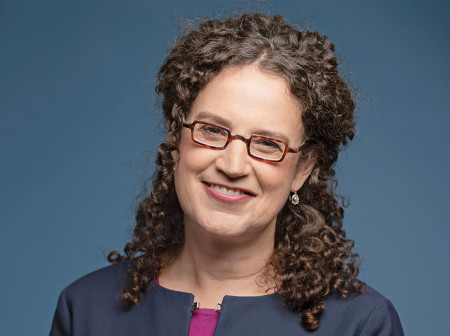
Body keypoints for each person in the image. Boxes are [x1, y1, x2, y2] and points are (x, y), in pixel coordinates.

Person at [50, 13, 404, 336]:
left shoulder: (361, 324)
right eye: (212, 131)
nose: (232, 166)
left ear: (303, 169)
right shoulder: (85, 309)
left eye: (267, 144)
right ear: (177, 141)